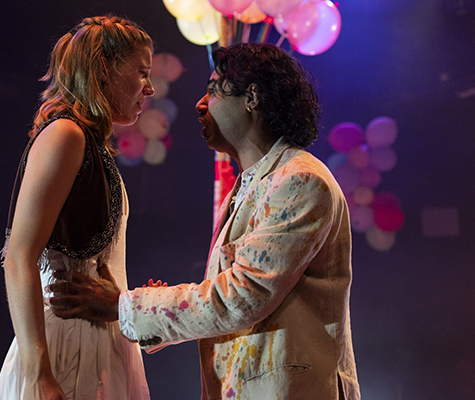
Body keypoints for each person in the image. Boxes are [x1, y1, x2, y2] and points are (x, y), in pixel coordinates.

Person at [49, 43, 360, 399]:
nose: (200, 104)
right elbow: (229, 301)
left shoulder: (299, 180)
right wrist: (148, 305)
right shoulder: (248, 187)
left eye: (213, 91)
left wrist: (124, 305)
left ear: (252, 97)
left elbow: (241, 298)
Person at [0, 15, 155, 400]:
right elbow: (18, 258)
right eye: (141, 72)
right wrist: (39, 375)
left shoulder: (94, 148)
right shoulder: (66, 134)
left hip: (101, 343)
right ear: (105, 69)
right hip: (67, 348)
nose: (149, 87)